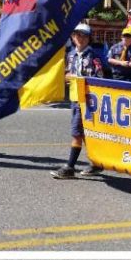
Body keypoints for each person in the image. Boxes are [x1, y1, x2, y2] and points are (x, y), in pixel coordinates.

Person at [52, 23, 105, 179]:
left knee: (77, 132)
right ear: (73, 37)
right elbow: (68, 72)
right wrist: (67, 76)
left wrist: (81, 79)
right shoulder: (71, 55)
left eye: (83, 36)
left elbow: (100, 78)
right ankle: (96, 163)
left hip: (88, 100)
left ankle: (70, 167)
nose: (79, 38)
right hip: (75, 97)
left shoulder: (93, 56)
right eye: (77, 35)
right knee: (85, 133)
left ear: (89, 38)